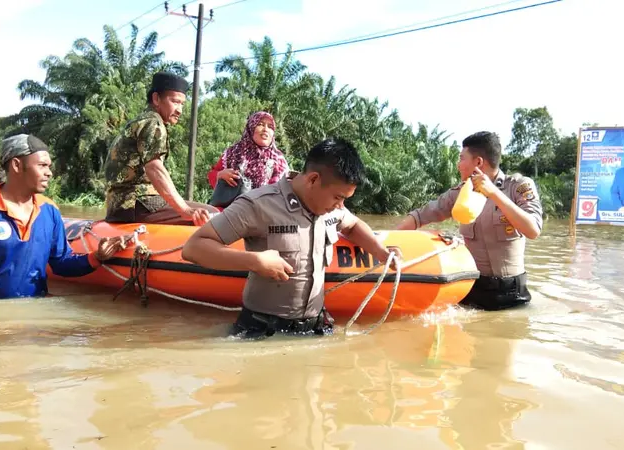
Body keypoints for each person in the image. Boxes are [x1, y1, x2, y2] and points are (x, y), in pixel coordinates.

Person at [182, 137, 402, 339]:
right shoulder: (258, 205)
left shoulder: (331, 208)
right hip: (262, 331)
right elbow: (194, 247)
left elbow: (352, 225)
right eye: (338, 197)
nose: (340, 205)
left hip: (315, 328)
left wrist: (382, 252)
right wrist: (254, 261)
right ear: (314, 179)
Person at [0, 134, 127, 301]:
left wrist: (96, 257)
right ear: (16, 165)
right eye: (42, 165)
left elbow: (62, 263)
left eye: (49, 166)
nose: (49, 173)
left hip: (36, 325)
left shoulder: (49, 210)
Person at [395, 131, 543, 311]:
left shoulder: (518, 186)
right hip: (471, 291)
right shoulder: (459, 193)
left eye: (461, 158)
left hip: (513, 295)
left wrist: (494, 193)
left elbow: (533, 230)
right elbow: (420, 216)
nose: (458, 165)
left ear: (478, 162)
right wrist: (387, 241)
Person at [104, 71, 217, 226]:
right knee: (212, 215)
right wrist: (185, 210)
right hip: (135, 204)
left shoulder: (142, 120)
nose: (180, 110)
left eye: (182, 104)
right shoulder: (153, 123)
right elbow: (154, 169)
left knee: (207, 211)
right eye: (175, 102)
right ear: (156, 99)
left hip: (119, 204)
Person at [206, 111, 290, 207]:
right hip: (227, 212)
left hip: (260, 215)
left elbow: (281, 191)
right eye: (260, 124)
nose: (265, 129)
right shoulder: (232, 152)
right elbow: (212, 174)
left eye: (270, 127)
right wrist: (220, 175)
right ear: (251, 127)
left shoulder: (278, 161)